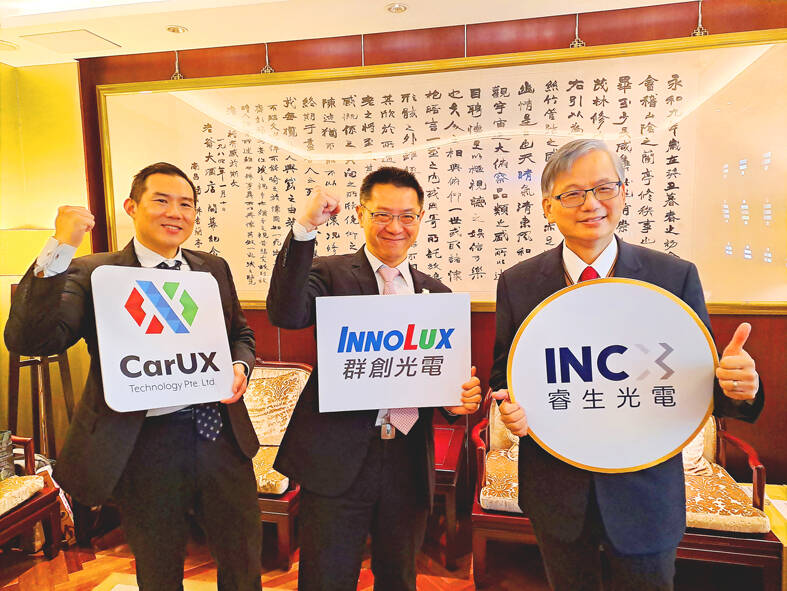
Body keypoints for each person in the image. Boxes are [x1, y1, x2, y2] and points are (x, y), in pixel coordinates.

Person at [490, 139, 764, 591]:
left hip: (645, 496)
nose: (591, 204)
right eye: (573, 193)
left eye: (604, 188)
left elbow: (702, 385)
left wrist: (739, 386)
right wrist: (509, 406)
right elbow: (506, 374)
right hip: (557, 492)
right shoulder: (518, 283)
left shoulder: (673, 276)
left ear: (624, 193)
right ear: (547, 207)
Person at [5, 162, 262, 591]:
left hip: (219, 434)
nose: (175, 213)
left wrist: (240, 365)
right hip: (145, 443)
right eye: (161, 201)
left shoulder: (212, 268)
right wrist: (59, 247)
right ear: (131, 206)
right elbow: (32, 339)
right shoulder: (94, 273)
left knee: (242, 560)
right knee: (159, 568)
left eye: (186, 204)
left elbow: (240, 333)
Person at [266, 166, 482, 591]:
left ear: (420, 218)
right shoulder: (329, 274)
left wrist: (455, 402)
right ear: (361, 214)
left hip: (406, 460)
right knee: (325, 579)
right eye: (382, 215)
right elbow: (286, 313)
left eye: (407, 216)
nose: (395, 227)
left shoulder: (436, 295)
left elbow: (440, 384)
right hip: (335, 458)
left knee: (399, 578)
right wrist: (305, 228)